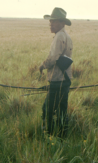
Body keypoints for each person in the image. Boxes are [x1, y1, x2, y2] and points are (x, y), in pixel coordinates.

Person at [39, 7, 73, 137]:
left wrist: (42, 66)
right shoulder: (66, 36)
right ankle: (62, 136)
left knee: (47, 109)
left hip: (57, 79)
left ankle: (49, 136)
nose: (50, 24)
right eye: (50, 21)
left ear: (62, 23)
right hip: (65, 79)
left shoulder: (59, 37)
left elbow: (53, 58)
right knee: (62, 110)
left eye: (54, 21)